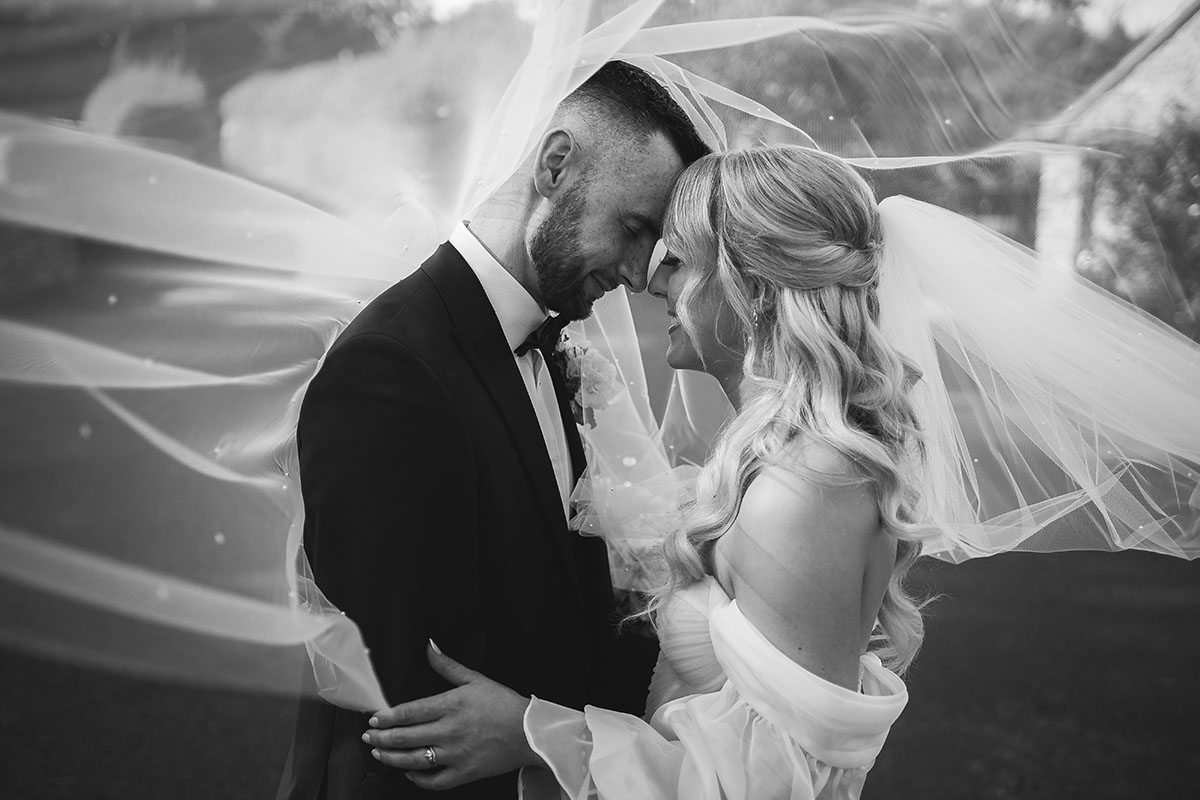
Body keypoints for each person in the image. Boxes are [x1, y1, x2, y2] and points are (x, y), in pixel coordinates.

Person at [362, 145, 927, 798]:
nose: (651, 280)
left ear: (753, 282)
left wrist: (534, 733)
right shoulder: (784, 466)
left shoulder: (802, 490)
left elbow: (778, 780)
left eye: (677, 259)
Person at [276, 60, 709, 800]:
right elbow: (404, 704)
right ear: (555, 164)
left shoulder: (547, 344)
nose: (639, 276)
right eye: (633, 230)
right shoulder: (391, 370)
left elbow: (555, 603)